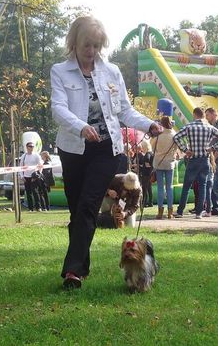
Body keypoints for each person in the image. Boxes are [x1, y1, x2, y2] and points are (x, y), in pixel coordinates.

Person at [51, 16, 162, 289]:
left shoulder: (111, 71)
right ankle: (80, 266)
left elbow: (124, 109)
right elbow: (58, 108)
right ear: (74, 43)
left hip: (106, 149)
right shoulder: (60, 71)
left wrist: (148, 123)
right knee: (78, 211)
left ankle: (72, 272)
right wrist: (80, 127)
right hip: (74, 149)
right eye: (86, 45)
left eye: (96, 46)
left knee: (89, 204)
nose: (91, 51)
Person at [173, 107, 218, 219]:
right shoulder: (209, 127)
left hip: (193, 160)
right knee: (203, 186)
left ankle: (180, 211)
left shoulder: (189, 127)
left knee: (186, 187)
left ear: (194, 115)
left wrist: (185, 149)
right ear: (203, 115)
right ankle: (198, 213)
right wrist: (212, 148)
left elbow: (176, 137)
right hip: (205, 160)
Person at [151, 116, 178, 219]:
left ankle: (160, 211)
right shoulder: (174, 134)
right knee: (169, 187)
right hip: (170, 163)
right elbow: (176, 148)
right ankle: (170, 212)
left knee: (160, 188)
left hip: (158, 162)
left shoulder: (158, 135)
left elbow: (152, 147)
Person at [19, 142, 43, 212]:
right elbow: (21, 166)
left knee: (35, 192)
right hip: (26, 176)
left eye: (32, 146)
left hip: (34, 176)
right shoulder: (24, 156)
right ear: (27, 147)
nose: (31, 148)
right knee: (28, 193)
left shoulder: (36, 155)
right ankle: (30, 208)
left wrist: (38, 174)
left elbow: (40, 165)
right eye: (30, 146)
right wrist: (22, 175)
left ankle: (38, 207)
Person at [137, 139, 154, 207]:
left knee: (145, 188)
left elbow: (147, 163)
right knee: (149, 189)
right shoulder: (151, 153)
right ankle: (150, 202)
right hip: (150, 173)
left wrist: (142, 165)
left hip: (146, 174)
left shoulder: (147, 154)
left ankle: (145, 202)